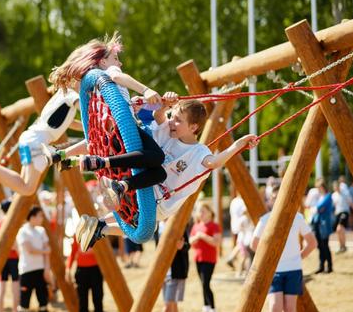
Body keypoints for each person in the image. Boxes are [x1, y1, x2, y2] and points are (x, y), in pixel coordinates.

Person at [74, 98, 258, 251]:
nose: (172, 121)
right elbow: (158, 116)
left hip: (159, 202)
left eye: (178, 120)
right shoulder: (169, 133)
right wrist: (166, 104)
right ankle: (102, 220)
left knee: (142, 227)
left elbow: (215, 162)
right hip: (143, 185)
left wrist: (239, 144)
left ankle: (100, 226)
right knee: (138, 218)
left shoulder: (199, 152)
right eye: (173, 116)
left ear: (194, 128)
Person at [47, 31, 167, 204]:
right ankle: (102, 163)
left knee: (159, 173)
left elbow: (112, 103)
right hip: (121, 129)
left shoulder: (93, 87)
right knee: (158, 157)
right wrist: (145, 90)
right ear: (103, 61)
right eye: (116, 58)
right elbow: (117, 75)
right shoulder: (108, 73)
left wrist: (133, 105)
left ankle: (121, 187)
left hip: (109, 137)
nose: (120, 62)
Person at [0, 85, 82, 196]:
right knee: (28, 188)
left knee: (23, 184)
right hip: (37, 142)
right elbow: (82, 106)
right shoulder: (71, 95)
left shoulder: (61, 94)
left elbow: (70, 123)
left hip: (30, 139)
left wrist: (88, 127)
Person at [251, 185, 317, 312]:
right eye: (273, 198)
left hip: (293, 270)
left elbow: (312, 243)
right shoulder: (265, 220)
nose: (275, 201)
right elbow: (254, 244)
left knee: (290, 310)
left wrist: (298, 257)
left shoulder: (297, 218)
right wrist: (268, 260)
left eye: (278, 198)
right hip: (274, 271)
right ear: (269, 201)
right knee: (274, 307)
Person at [16, 206, 51, 312]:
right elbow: (29, 249)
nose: (42, 218)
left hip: (40, 271)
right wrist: (44, 251)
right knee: (24, 306)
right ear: (32, 216)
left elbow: (47, 252)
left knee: (43, 304)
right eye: (40, 215)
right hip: (26, 271)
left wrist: (47, 268)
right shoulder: (23, 231)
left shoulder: (41, 230)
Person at [189, 204, 221, 312]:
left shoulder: (214, 225)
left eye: (203, 211)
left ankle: (213, 311)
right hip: (198, 259)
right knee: (203, 284)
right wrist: (196, 238)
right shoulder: (196, 226)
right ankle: (206, 309)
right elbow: (190, 241)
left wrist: (203, 236)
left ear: (209, 212)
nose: (201, 213)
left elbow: (216, 242)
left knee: (205, 284)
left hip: (209, 259)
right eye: (199, 211)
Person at [0, 200, 20, 312]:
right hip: (14, 258)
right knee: (15, 287)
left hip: (1, 258)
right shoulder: (13, 222)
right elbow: (15, 243)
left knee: (1, 287)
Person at [66, 238, 104, 312]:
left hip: (95, 270)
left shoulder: (97, 232)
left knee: (98, 299)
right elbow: (73, 252)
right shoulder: (78, 233)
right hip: (81, 271)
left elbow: (104, 252)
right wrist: (68, 268)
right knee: (82, 301)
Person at [158, 221, 190, 312]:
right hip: (163, 272)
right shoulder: (157, 225)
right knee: (173, 308)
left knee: (167, 310)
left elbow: (187, 245)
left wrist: (182, 245)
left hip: (175, 272)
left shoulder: (177, 223)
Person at [311, 179, 334, 274]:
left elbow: (319, 207)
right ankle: (321, 266)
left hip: (324, 225)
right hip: (318, 223)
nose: (318, 189)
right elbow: (317, 208)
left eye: (318, 187)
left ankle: (329, 266)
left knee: (325, 245)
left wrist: (316, 209)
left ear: (323, 187)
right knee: (320, 245)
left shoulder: (328, 196)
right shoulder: (321, 196)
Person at [332, 180, 353, 254]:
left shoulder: (345, 194)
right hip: (338, 213)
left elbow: (351, 203)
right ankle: (341, 246)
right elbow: (334, 206)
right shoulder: (334, 195)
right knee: (338, 230)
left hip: (344, 212)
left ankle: (344, 245)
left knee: (339, 228)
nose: (336, 188)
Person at [225, 192, 246, 270]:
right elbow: (244, 212)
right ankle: (233, 259)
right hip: (242, 225)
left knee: (240, 243)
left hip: (236, 224)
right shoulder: (241, 201)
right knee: (243, 245)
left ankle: (231, 257)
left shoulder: (234, 201)